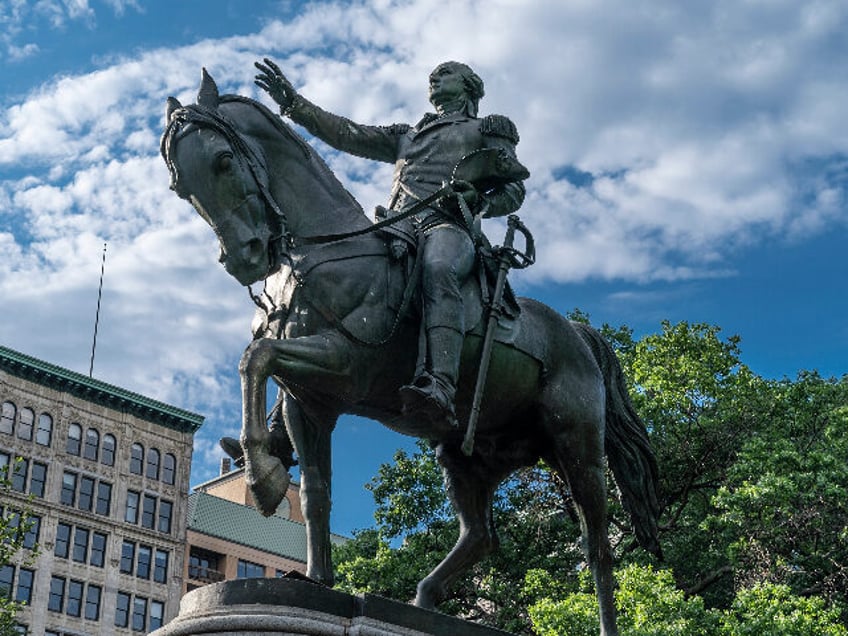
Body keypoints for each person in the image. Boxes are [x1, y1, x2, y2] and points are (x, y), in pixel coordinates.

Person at [254, 58, 527, 429]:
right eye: (433, 75)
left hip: (447, 226)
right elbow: (347, 133)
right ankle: (281, 424)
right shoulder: (407, 135)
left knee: (438, 269)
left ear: (468, 86)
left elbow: (513, 189)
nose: (434, 78)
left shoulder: (486, 129)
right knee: (330, 284)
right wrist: (293, 103)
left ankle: (441, 384)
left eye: (445, 73)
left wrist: (480, 201)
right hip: (395, 230)